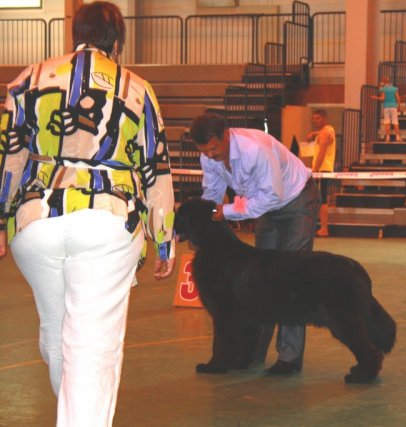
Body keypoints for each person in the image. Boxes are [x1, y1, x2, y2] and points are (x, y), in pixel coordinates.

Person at [0, 2, 175, 425]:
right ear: (117, 41)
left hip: (35, 220)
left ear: (74, 31)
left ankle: (74, 412)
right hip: (109, 220)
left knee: (58, 334)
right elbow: (156, 168)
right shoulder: (136, 87)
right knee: (92, 346)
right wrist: (165, 238)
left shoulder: (29, 79)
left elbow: (8, 155)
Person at [189, 113, 321, 375]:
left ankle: (289, 358)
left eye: (214, 148)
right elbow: (212, 194)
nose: (211, 155)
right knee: (259, 279)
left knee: (291, 279)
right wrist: (203, 225)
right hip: (262, 207)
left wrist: (225, 212)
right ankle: (250, 353)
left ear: (225, 135)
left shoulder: (255, 149)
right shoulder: (208, 156)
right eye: (204, 151)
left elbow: (271, 196)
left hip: (296, 202)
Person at [306, 109, 336, 237]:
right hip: (324, 169)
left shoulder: (325, 132)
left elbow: (322, 152)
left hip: (322, 170)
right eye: (314, 118)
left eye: (317, 118)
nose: (315, 120)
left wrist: (314, 170)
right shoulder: (329, 130)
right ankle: (322, 227)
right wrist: (314, 133)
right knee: (320, 198)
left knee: (322, 199)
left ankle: (324, 228)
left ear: (324, 118)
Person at [371, 76, 403, 142]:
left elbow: (383, 98)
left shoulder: (383, 89)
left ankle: (388, 137)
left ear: (384, 82)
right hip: (393, 106)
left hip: (386, 107)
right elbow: (398, 98)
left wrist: (375, 97)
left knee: (386, 122)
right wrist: (399, 106)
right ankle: (397, 137)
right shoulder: (394, 89)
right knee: (395, 122)